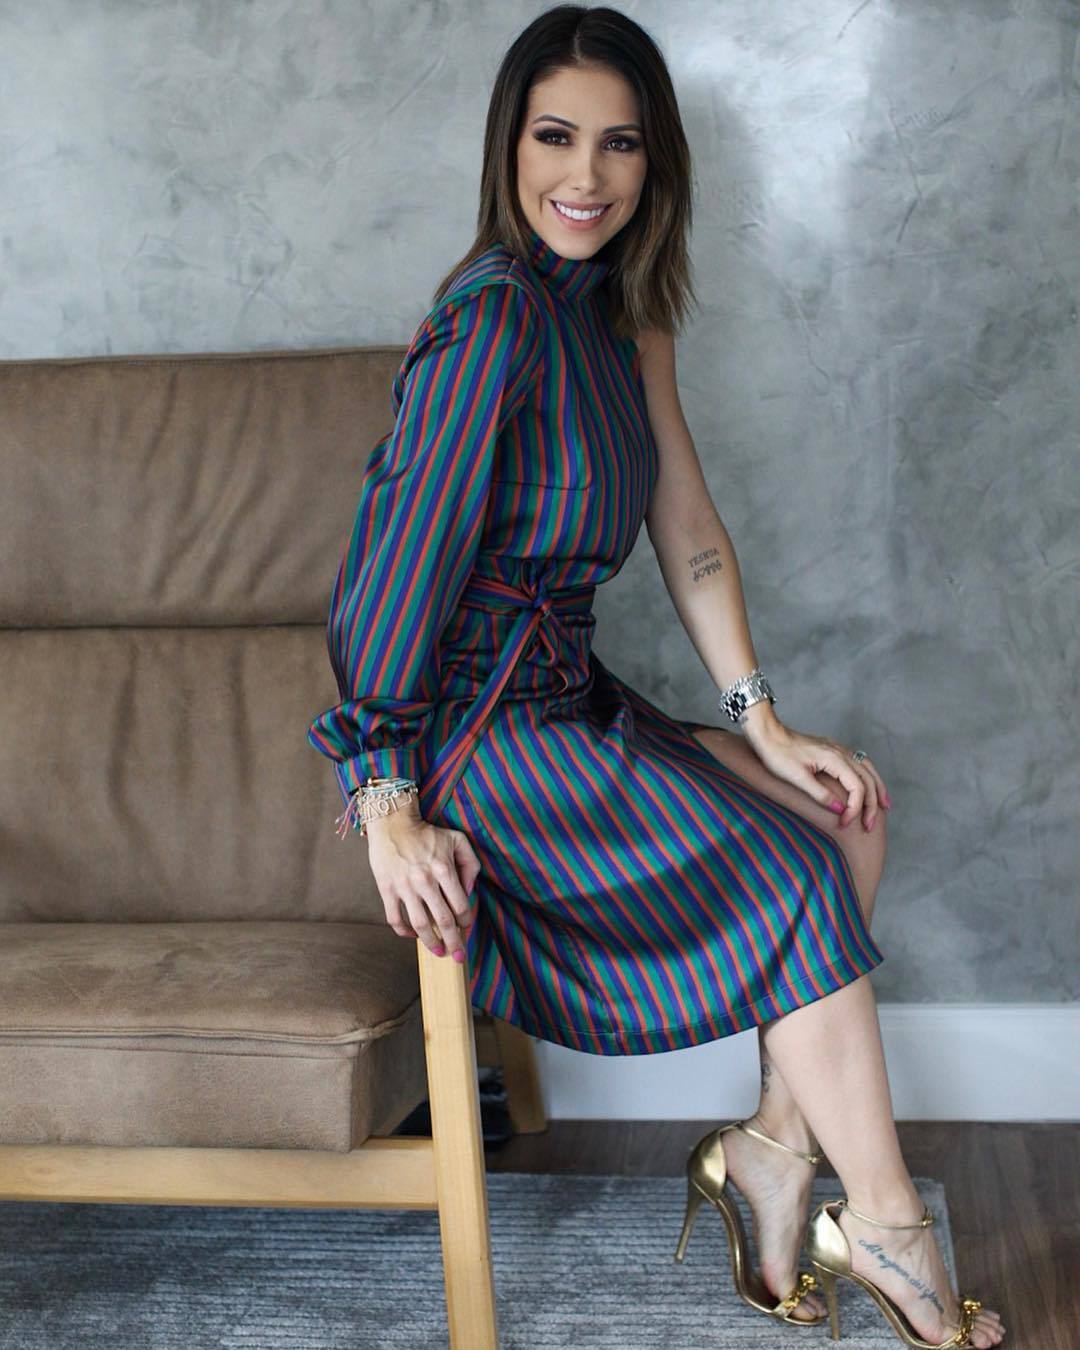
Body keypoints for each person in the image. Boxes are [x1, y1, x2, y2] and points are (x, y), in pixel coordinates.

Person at [307, 6, 1004, 1346]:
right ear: (509, 150)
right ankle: (888, 1225)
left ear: (655, 161)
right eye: (555, 137)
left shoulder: (623, 322)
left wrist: (763, 718)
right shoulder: (491, 324)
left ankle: (770, 1154)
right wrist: (384, 794)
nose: (587, 175)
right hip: (475, 740)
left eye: (620, 144)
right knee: (793, 876)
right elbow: (388, 571)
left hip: (569, 701)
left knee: (842, 813)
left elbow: (686, 532)